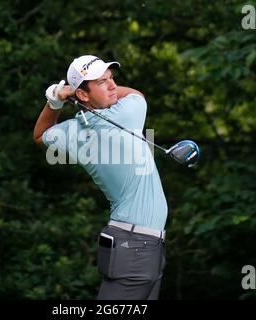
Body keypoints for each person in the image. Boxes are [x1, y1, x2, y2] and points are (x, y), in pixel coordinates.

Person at [33, 55, 168, 300]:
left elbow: (41, 135)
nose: (113, 86)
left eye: (111, 78)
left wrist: (55, 100)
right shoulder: (127, 114)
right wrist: (71, 94)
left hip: (140, 246)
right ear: (83, 95)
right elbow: (136, 94)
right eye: (102, 82)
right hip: (135, 247)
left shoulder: (73, 132)